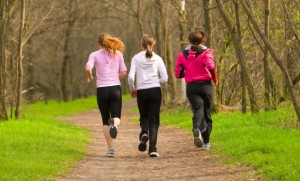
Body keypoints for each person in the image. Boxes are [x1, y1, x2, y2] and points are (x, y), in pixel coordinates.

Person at [174, 30, 218, 151]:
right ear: (203, 39)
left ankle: (196, 127)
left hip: (191, 87)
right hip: (205, 86)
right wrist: (215, 79)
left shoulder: (182, 55)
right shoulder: (206, 52)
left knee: (198, 109)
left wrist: (188, 72)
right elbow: (211, 66)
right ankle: (207, 143)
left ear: (189, 40)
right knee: (207, 113)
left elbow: (177, 74)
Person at [85, 33, 127, 157]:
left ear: (99, 44)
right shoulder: (118, 54)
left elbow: (88, 69)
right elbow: (124, 72)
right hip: (115, 89)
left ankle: (111, 150)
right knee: (116, 117)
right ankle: (114, 124)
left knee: (104, 120)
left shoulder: (94, 55)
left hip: (102, 90)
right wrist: (115, 77)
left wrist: (90, 77)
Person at [128, 34, 168, 157]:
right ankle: (152, 149)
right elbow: (165, 78)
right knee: (154, 120)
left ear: (141, 45)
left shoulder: (136, 58)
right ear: (153, 44)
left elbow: (130, 77)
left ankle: (144, 132)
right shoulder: (158, 58)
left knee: (144, 116)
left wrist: (133, 89)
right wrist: (158, 83)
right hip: (155, 90)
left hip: (142, 91)